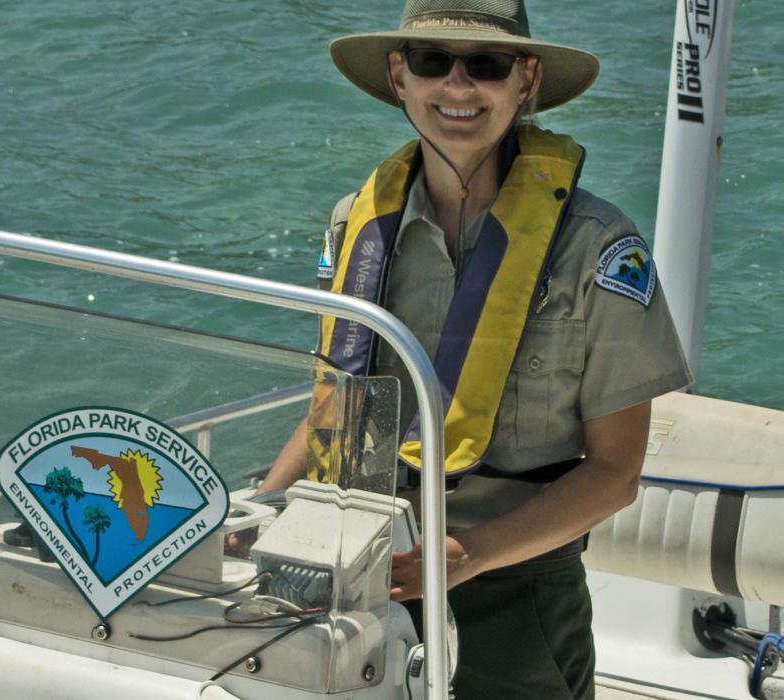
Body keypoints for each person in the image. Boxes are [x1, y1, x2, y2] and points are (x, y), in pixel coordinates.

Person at [251, 0, 694, 697]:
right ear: (400, 77)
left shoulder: (597, 247)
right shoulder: (354, 226)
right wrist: (257, 518)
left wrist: (464, 556)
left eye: (486, 66)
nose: (458, 87)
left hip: (518, 589)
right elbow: (333, 411)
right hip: (360, 564)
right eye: (433, 61)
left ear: (527, 81)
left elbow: (616, 471)